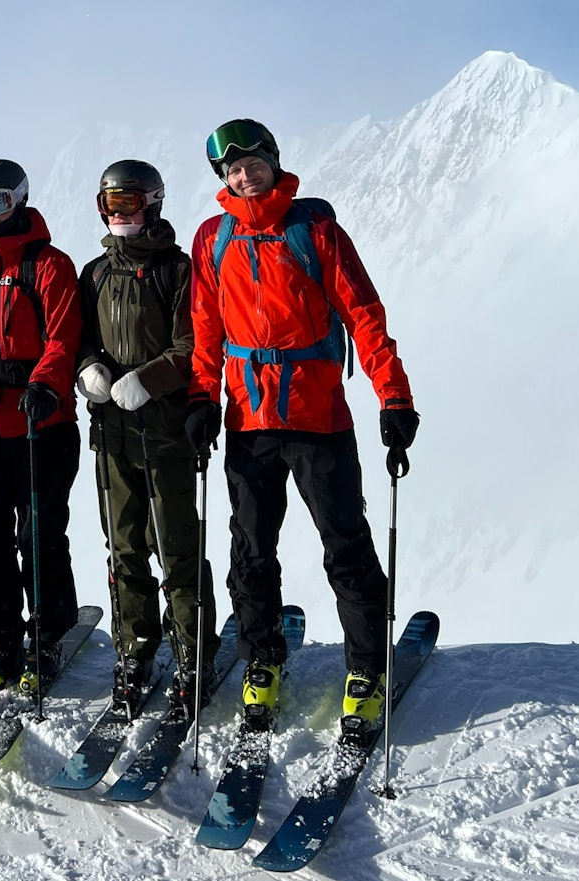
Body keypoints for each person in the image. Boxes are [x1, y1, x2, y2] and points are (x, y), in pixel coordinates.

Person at [185, 118, 420, 730]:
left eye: (252, 162)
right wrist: (202, 399)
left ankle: (367, 669)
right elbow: (207, 332)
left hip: (319, 421)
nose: (243, 174)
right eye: (231, 169)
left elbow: (364, 315)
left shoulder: (315, 230)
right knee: (251, 549)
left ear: (273, 160)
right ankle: (261, 661)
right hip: (249, 421)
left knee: (345, 545)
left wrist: (393, 397)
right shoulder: (213, 238)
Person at [76, 159, 220, 720]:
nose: (119, 215)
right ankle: (134, 649)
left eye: (129, 204)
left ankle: (193, 653)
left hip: (165, 433)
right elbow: (79, 338)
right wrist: (89, 368)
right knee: (125, 545)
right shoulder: (95, 274)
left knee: (178, 547)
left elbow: (195, 344)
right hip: (111, 433)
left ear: (153, 204)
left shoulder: (178, 272)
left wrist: (150, 378)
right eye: (110, 205)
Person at [0, 158, 82, 694]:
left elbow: (64, 335)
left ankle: (48, 633)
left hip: (41, 423)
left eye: (0, 200)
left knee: (41, 533)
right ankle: (2, 634)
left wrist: (46, 385)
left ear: (21, 200)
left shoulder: (49, 265)